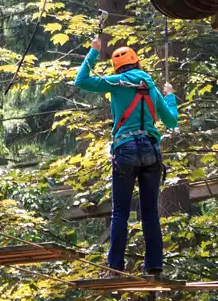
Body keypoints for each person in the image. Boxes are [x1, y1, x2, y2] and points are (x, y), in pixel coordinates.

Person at [73, 31, 178, 275]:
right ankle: (154, 267)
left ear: (117, 67)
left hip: (125, 149)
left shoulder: (117, 82)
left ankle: (115, 266)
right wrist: (170, 96)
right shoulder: (150, 86)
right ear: (137, 62)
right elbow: (171, 122)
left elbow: (81, 80)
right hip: (151, 151)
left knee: (121, 211)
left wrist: (94, 50)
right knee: (150, 212)